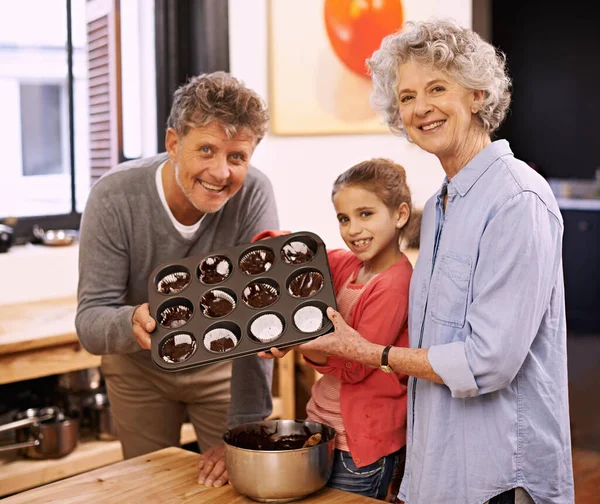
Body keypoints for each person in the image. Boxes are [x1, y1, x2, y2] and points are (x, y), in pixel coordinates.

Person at [264, 19, 574, 504]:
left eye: (437, 88)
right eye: (407, 97)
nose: (421, 108)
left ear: (476, 95)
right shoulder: (442, 206)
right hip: (440, 468)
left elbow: (487, 361)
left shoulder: (518, 200)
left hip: (499, 474)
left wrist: (368, 352)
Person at [76, 71, 279, 488]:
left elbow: (259, 315)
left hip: (223, 366)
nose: (221, 172)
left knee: (239, 484)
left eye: (237, 157)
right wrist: (131, 320)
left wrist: (243, 429)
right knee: (152, 488)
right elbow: (91, 322)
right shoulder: (114, 196)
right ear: (173, 143)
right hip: (140, 369)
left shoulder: (254, 194)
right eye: (206, 149)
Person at [256, 158, 413, 500]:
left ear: (399, 215)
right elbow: (301, 252)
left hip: (361, 445)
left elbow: (356, 366)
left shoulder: (394, 285)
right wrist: (268, 245)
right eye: (344, 218)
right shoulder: (349, 266)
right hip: (326, 428)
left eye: (365, 214)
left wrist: (299, 343)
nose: (353, 228)